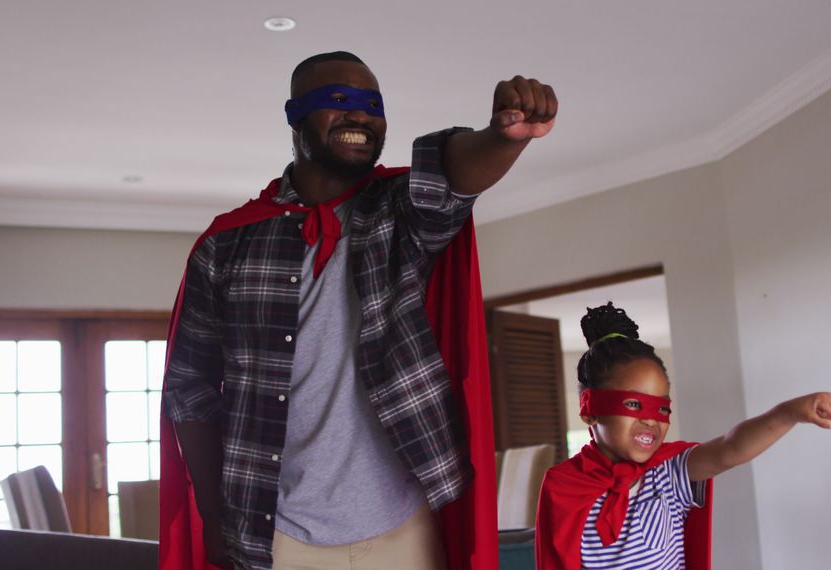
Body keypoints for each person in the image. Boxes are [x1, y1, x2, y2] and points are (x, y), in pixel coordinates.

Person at [160, 51, 557, 570]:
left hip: (403, 529)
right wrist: (214, 519)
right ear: (295, 114)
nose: (360, 116)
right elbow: (190, 389)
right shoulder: (228, 244)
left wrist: (503, 136)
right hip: (273, 533)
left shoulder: (401, 210)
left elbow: (452, 173)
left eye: (373, 104)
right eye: (338, 101)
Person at [535, 302, 831, 569]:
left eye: (661, 409)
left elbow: (729, 449)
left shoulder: (669, 473)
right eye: (633, 404)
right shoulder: (563, 486)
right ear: (590, 410)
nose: (651, 421)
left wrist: (788, 413)